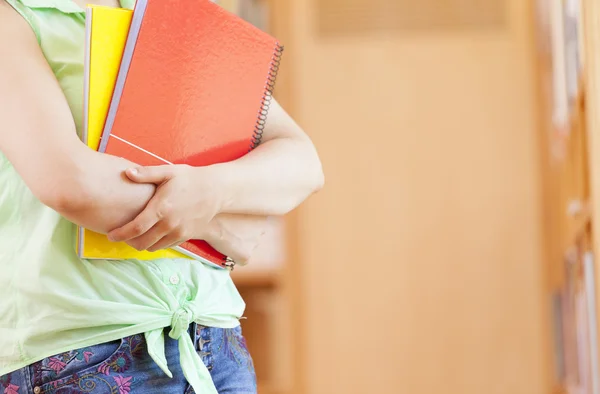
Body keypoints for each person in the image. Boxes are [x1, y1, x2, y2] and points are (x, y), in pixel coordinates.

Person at [0, 0, 324, 393]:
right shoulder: (11, 17)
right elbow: (71, 184)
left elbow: (303, 164)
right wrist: (223, 217)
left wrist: (213, 189)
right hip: (80, 352)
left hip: (214, 343)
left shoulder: (173, 12)